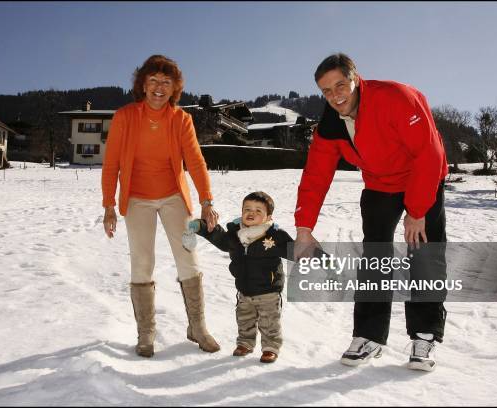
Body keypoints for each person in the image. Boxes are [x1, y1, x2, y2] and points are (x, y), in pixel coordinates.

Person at [294, 53, 448, 371]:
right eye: (327, 91)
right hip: (380, 184)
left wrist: (417, 211)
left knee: (425, 253)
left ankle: (425, 335)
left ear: (355, 78)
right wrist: (304, 228)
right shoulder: (330, 125)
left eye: (341, 85)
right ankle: (369, 336)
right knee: (375, 256)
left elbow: (428, 153)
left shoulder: (396, 98)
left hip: (423, 176)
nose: (336, 96)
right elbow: (315, 176)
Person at [101, 54, 220, 358]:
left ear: (174, 88)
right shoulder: (125, 116)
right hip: (137, 199)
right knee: (142, 262)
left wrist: (207, 201)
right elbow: (111, 163)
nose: (158, 87)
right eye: (153, 80)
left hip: (174, 198)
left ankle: (197, 326)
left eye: (166, 82)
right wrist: (109, 206)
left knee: (189, 258)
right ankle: (146, 334)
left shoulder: (181, 120)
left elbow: (195, 161)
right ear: (142, 84)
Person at [183, 191, 293, 363]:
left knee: (269, 322)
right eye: (247, 209)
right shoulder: (235, 234)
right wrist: (202, 227)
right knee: (244, 319)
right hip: (244, 289)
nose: (251, 213)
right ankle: (245, 344)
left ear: (268, 216)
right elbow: (220, 239)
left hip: (268, 291)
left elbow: (298, 250)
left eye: (258, 210)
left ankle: (270, 347)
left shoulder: (274, 236)